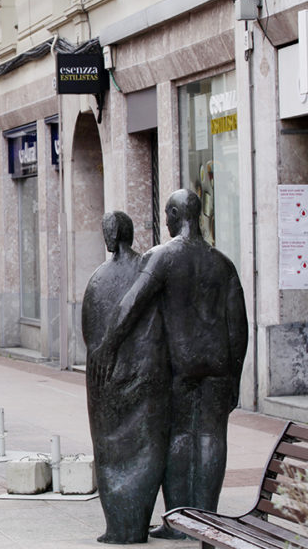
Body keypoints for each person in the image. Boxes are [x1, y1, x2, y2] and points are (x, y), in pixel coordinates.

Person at [90, 190, 248, 539]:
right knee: (210, 436)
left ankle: (179, 523)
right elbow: (238, 326)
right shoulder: (222, 263)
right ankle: (205, 521)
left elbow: (130, 305)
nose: (167, 220)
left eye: (168, 213)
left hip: (179, 365)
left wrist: (108, 346)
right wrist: (235, 375)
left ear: (177, 214)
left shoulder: (162, 257)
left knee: (177, 436)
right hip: (218, 363)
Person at [82, 212, 169, 544]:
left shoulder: (99, 278)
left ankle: (121, 526)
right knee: (147, 446)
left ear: (110, 236)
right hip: (148, 370)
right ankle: (137, 521)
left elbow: (90, 330)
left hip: (107, 377)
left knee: (109, 448)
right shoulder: (147, 269)